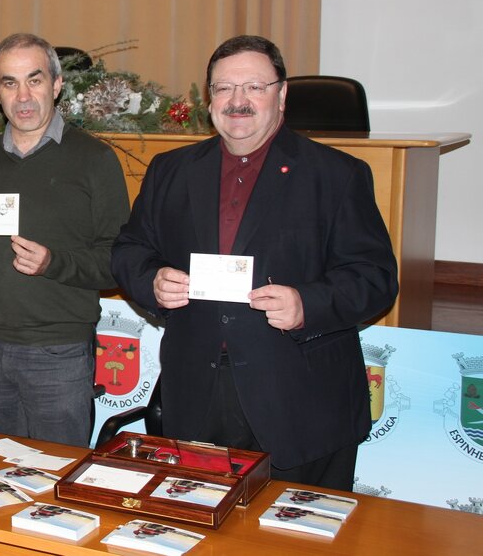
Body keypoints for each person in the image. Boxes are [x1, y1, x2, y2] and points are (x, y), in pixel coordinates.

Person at [110, 35, 398, 491]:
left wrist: (308, 303)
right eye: (224, 88)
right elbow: (129, 249)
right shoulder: (172, 170)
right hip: (196, 398)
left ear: (282, 95)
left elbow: (375, 278)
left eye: (254, 87)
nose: (237, 101)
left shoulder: (337, 175)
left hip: (299, 401)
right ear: (209, 100)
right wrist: (152, 280)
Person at [0, 33, 129, 446]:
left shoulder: (95, 160)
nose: (23, 95)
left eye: (35, 80)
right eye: (10, 82)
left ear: (57, 85)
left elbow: (119, 261)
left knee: (56, 486)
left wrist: (53, 263)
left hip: (57, 353)